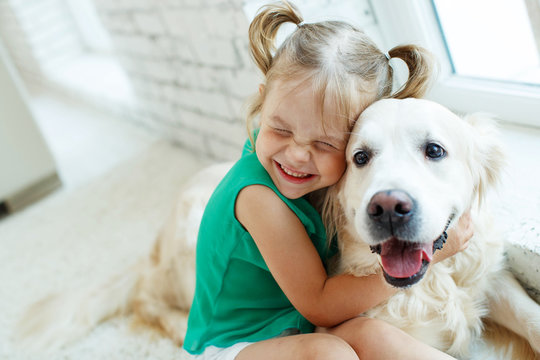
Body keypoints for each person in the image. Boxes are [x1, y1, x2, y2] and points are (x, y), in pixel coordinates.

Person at [183, 1, 472, 359]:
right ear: (263, 103)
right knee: (329, 352)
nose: (297, 154)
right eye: (279, 129)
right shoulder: (258, 199)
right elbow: (320, 304)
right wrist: (438, 251)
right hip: (237, 344)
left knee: (370, 333)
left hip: (294, 324)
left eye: (323, 144)